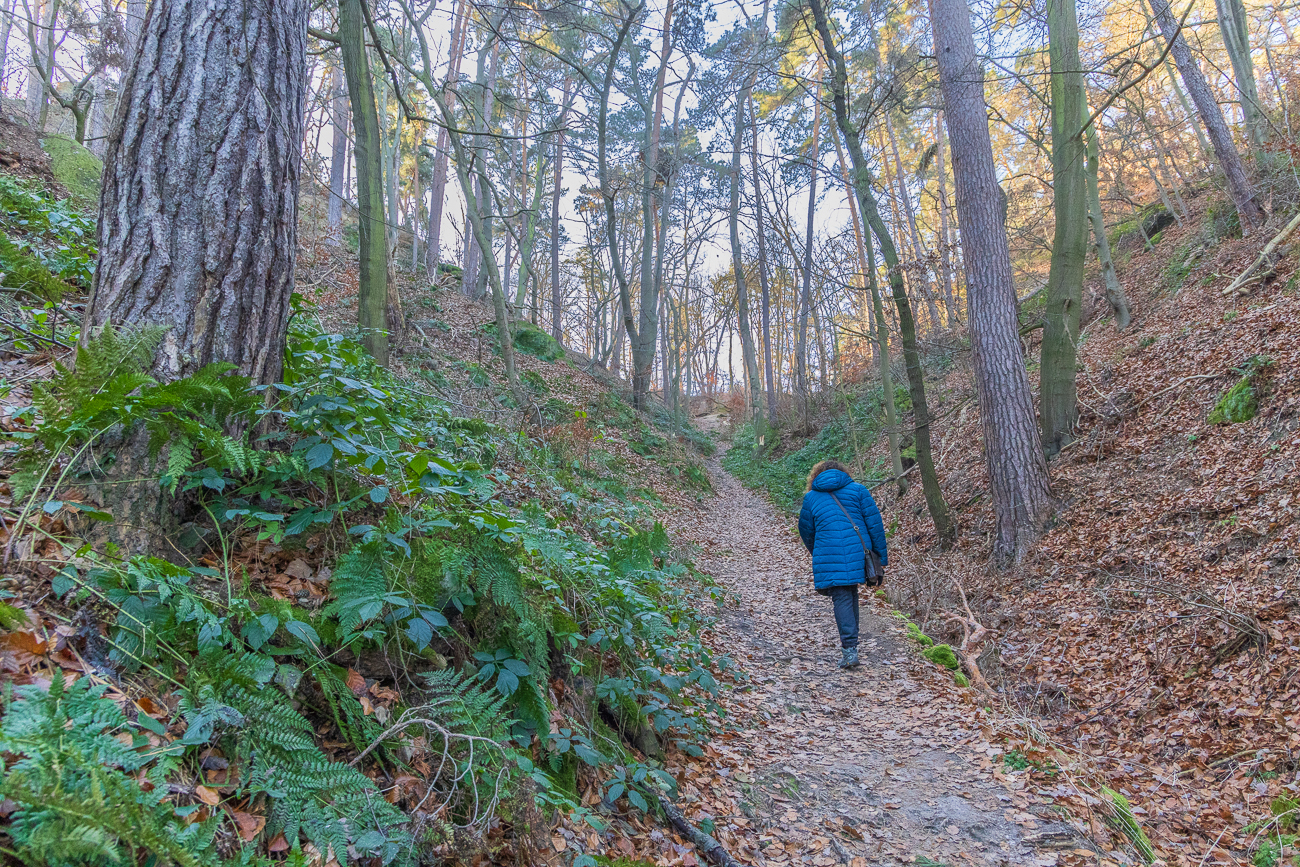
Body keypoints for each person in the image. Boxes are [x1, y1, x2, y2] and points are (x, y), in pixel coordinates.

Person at [797, 460, 888, 669]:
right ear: (843, 472)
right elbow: (875, 525)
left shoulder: (811, 498)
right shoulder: (858, 490)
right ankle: (851, 648)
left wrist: (818, 551)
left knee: (843, 597)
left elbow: (806, 531)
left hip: (828, 553)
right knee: (849, 594)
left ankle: (849, 651)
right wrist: (880, 559)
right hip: (858, 551)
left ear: (816, 476)